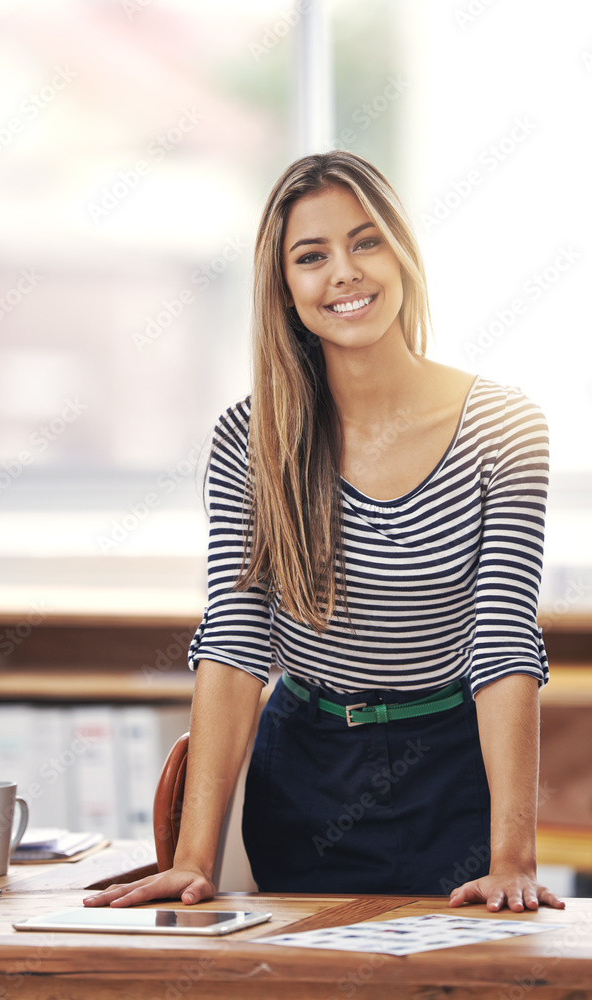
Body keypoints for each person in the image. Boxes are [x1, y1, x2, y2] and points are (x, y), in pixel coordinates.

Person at [84, 150, 565, 913]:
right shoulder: (251, 438)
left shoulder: (504, 428)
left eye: (365, 241)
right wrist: (191, 858)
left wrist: (513, 856)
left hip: (451, 772)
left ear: (401, 252)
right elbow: (236, 641)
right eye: (311, 256)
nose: (343, 272)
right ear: (284, 288)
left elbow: (503, 636)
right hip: (306, 778)